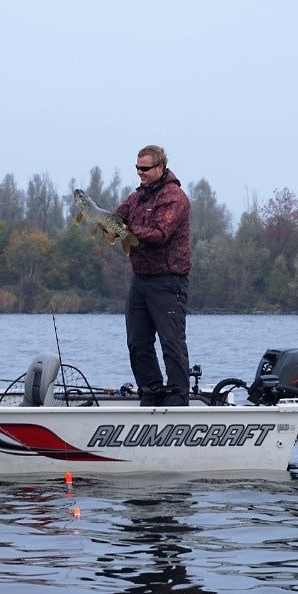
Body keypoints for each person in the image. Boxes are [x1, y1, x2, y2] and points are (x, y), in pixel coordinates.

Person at [115, 144, 193, 406]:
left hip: (168, 280)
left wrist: (128, 230)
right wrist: (111, 225)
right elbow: (118, 217)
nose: (140, 173)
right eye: (137, 168)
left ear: (160, 167)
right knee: (137, 341)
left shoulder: (175, 197)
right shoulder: (137, 197)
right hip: (141, 279)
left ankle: (178, 397)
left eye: (145, 168)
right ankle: (151, 391)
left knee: (171, 342)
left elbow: (160, 234)